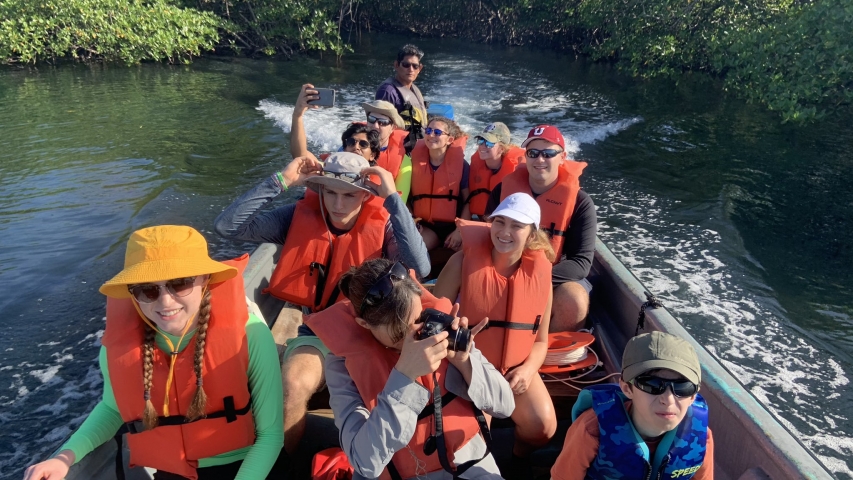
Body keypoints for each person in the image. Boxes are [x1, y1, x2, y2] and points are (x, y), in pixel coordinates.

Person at [23, 226, 284, 480]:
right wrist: (64, 457)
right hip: (171, 470)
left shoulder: (250, 336)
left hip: (246, 466)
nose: (165, 302)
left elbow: (271, 435)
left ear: (205, 279)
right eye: (147, 289)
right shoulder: (116, 348)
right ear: (133, 294)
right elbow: (113, 409)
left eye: (180, 284)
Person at [214, 152, 429, 456]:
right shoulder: (296, 217)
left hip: (382, 332)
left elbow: (421, 265)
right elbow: (228, 227)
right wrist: (282, 180)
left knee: (410, 394)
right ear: (320, 190)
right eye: (330, 192)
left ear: (366, 195)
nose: (339, 205)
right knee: (291, 386)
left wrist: (392, 197)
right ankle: (285, 466)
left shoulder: (384, 226)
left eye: (350, 195)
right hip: (323, 329)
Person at [306, 258, 515, 479]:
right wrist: (404, 377)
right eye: (398, 335)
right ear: (364, 324)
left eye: (419, 323)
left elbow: (505, 406)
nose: (414, 340)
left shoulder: (439, 327)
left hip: (466, 462)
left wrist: (465, 361)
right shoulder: (343, 365)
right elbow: (365, 462)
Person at [434, 193, 557, 469]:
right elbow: (434, 320)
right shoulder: (460, 263)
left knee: (543, 427)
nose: (505, 232)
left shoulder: (541, 276)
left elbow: (540, 341)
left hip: (515, 368)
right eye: (499, 222)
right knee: (469, 438)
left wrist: (527, 371)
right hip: (467, 366)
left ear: (532, 234)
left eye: (517, 226)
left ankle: (516, 461)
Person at [551, 331, 714, 480]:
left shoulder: (701, 437)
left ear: (693, 396)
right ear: (627, 388)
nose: (668, 399)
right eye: (652, 384)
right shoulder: (592, 430)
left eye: (682, 387)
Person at [485, 125, 596, 332]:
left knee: (575, 299)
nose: (540, 160)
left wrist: (534, 277)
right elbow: (486, 237)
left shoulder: (581, 203)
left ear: (562, 157)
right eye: (533, 153)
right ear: (525, 156)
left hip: (553, 276)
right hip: (504, 269)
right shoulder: (503, 192)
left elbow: (581, 262)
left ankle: (546, 354)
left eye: (548, 153)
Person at [409, 116, 470, 252]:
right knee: (412, 251)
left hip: (454, 226)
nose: (431, 135)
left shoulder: (462, 166)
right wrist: (413, 221)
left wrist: (459, 231)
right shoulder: (412, 162)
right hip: (425, 225)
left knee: (466, 253)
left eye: (437, 132)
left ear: (449, 140)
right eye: (428, 130)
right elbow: (405, 196)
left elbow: (468, 201)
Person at [290, 84, 381, 165]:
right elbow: (301, 156)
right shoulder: (329, 170)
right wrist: (297, 115)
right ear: (345, 149)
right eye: (351, 142)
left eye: (363, 144)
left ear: (372, 155)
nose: (356, 147)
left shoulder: (377, 181)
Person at [466, 122, 525, 219]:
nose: (482, 146)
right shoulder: (474, 166)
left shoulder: (516, 173)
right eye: (481, 141)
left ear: (501, 149)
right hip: (481, 219)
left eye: (489, 143)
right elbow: (467, 200)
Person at [362, 99, 413, 202]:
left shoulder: (404, 160)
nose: (375, 126)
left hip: (384, 213)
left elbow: (400, 202)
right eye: (371, 119)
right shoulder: (350, 148)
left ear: (393, 128)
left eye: (382, 122)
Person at [375, 44, 429, 137]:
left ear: (419, 69)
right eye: (406, 65)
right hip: (402, 147)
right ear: (396, 65)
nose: (411, 69)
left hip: (420, 141)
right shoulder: (387, 91)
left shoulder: (414, 89)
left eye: (415, 66)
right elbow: (380, 127)